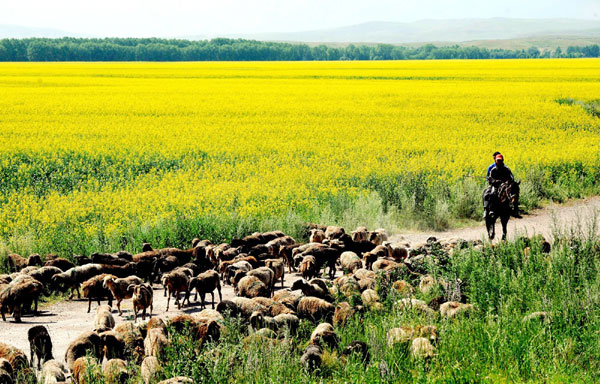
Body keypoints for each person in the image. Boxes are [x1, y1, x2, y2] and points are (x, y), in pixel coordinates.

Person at [483, 152, 521, 219]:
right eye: (498, 160)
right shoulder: (493, 169)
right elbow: (489, 178)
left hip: (505, 185)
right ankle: (488, 210)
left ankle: (515, 209)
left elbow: (511, 177)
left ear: (502, 160)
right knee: (490, 194)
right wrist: (494, 181)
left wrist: (509, 182)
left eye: (500, 160)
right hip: (495, 186)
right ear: (495, 160)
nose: (499, 162)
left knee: (514, 192)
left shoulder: (506, 169)